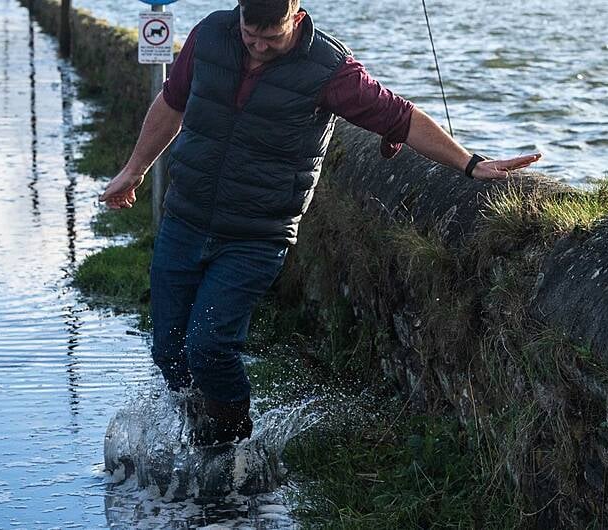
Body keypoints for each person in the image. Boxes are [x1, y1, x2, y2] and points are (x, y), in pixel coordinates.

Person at [99, 0, 541, 446]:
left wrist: (470, 164)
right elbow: (172, 102)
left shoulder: (329, 68)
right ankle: (199, 432)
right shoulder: (211, 34)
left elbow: (401, 118)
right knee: (169, 351)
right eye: (250, 34)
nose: (258, 47)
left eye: (271, 38)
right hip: (185, 220)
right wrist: (133, 170)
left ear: (295, 13)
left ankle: (231, 450)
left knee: (210, 346)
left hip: (256, 236)